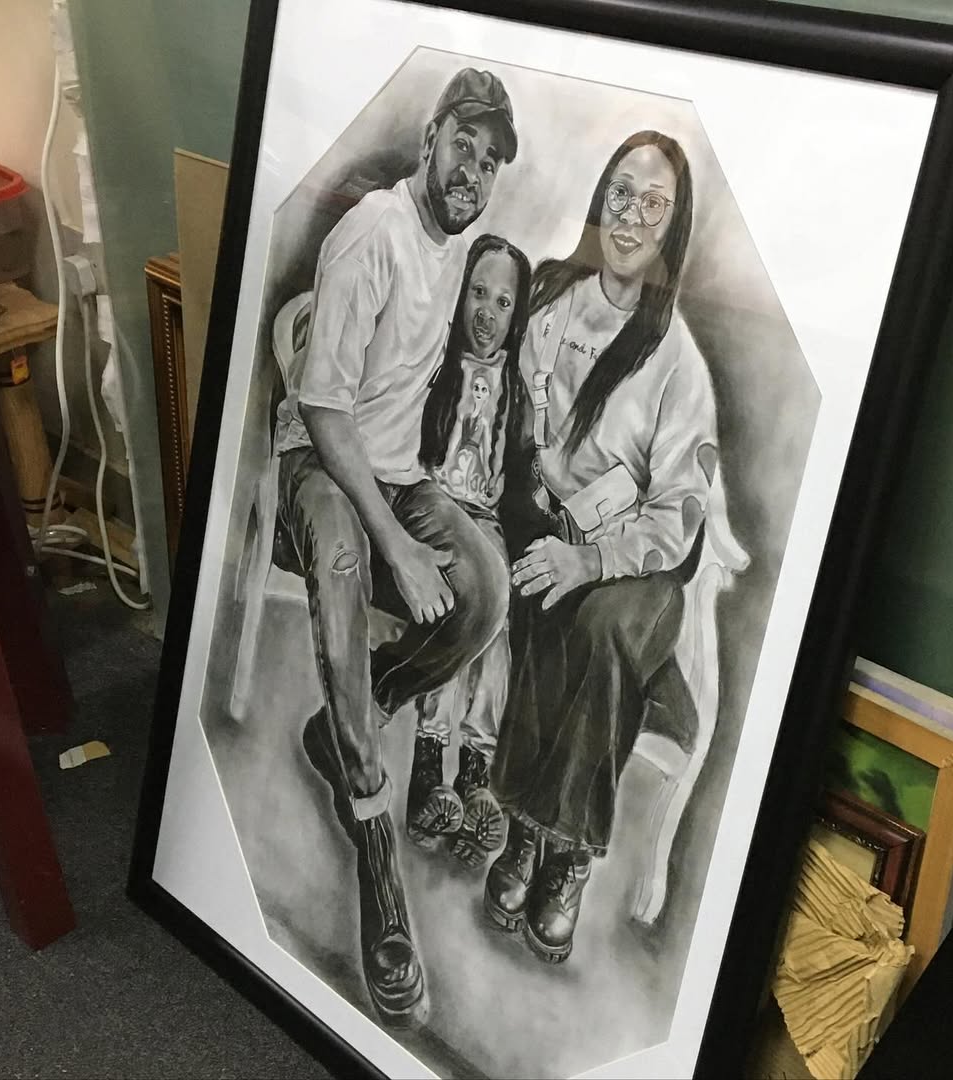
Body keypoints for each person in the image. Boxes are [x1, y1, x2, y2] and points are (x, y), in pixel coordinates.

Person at [272, 68, 517, 1023]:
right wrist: (397, 547)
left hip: (400, 474)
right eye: (464, 145)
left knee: (486, 590)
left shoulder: (454, 249)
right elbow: (325, 409)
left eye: (490, 161)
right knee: (343, 567)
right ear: (430, 137)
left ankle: (347, 722)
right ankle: (378, 865)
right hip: (321, 462)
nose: (473, 171)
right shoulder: (372, 232)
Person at [485, 130, 721, 964]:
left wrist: (591, 557)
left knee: (603, 625)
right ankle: (525, 827)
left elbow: (678, 516)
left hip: (644, 567)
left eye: (653, 205)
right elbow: (520, 432)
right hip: (550, 521)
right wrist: (550, 521)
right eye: (620, 193)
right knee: (538, 591)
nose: (630, 217)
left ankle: (566, 854)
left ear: (672, 228)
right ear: (599, 200)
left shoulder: (678, 362)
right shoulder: (552, 304)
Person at [404, 234, 532, 869]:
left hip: (486, 516)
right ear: (460, 297)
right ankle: (430, 762)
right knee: (464, 603)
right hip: (435, 503)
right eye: (478, 293)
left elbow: (523, 469)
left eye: (503, 302)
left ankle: (475, 769)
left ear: (517, 315)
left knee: (499, 615)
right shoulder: (436, 362)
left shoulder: (517, 387)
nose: (487, 312)